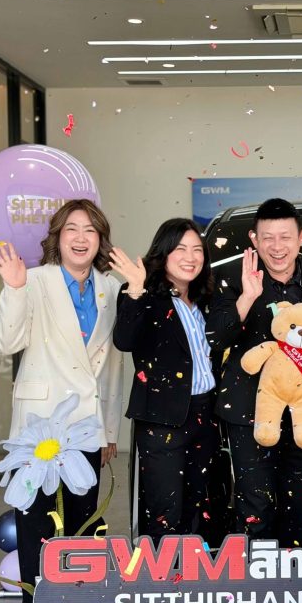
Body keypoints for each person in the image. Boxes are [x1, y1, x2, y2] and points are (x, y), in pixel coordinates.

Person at [0, 199, 123, 603]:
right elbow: (6, 343)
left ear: (100, 239)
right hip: (39, 426)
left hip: (87, 426)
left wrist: (109, 430)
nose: (81, 238)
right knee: (35, 524)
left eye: (90, 230)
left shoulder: (110, 289)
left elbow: (114, 366)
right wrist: (13, 289)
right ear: (57, 238)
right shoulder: (33, 280)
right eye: (72, 229)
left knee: (84, 524)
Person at [209, 198, 302, 548]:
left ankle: (296, 570)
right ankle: (257, 574)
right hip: (249, 408)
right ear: (254, 239)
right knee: (256, 503)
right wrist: (247, 296)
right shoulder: (231, 275)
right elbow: (217, 337)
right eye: (268, 237)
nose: (277, 247)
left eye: (286, 237)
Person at [109, 218, 219, 543]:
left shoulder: (204, 298)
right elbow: (124, 340)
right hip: (162, 420)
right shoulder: (142, 293)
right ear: (164, 252)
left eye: (197, 250)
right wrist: (135, 290)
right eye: (181, 249)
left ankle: (195, 572)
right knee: (164, 512)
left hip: (205, 415)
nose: (190, 257)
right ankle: (164, 574)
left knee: (198, 509)